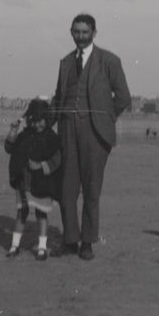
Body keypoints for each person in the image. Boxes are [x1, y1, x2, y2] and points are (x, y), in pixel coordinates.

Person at [51, 13, 132, 261]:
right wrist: (44, 122)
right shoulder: (65, 63)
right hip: (67, 133)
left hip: (96, 135)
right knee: (66, 191)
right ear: (71, 32)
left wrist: (104, 120)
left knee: (91, 191)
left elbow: (124, 98)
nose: (81, 37)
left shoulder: (109, 61)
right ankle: (69, 240)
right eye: (76, 32)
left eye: (85, 32)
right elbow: (58, 98)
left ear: (94, 33)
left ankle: (87, 242)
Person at [3, 99, 61, 261]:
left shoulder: (52, 138)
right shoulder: (24, 135)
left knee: (42, 214)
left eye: (41, 121)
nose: (37, 125)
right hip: (24, 182)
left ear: (47, 119)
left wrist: (42, 166)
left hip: (43, 183)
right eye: (34, 121)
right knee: (21, 213)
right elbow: (9, 148)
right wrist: (13, 131)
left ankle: (42, 247)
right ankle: (14, 245)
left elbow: (57, 159)